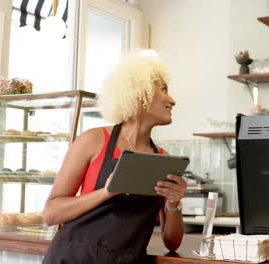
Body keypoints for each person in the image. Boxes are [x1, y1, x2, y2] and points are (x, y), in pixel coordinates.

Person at [42, 50, 186, 263]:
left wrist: (174, 203)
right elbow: (51, 214)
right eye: (164, 89)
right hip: (74, 258)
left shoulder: (163, 160)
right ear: (140, 93)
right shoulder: (93, 140)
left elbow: (172, 242)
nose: (172, 100)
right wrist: (106, 192)